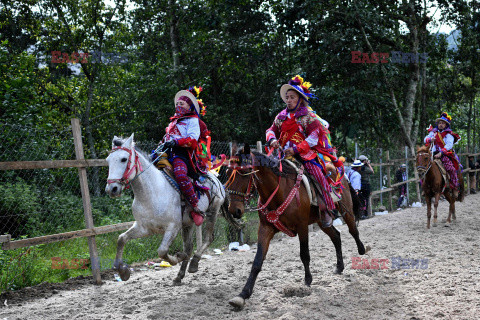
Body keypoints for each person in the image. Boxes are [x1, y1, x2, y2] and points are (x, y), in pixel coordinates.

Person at [266, 75, 342, 227]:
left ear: (300, 99)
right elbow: (270, 130)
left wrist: (295, 149)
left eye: (292, 97)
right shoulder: (280, 116)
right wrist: (272, 139)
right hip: (282, 155)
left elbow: (314, 137)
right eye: (287, 97)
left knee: (318, 175)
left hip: (305, 155)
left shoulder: (308, 116)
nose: (289, 100)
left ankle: (327, 209)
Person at [158, 86, 209, 226]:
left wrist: (175, 142)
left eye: (182, 103)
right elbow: (167, 137)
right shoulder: (172, 122)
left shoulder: (192, 121)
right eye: (177, 104)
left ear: (189, 106)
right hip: (167, 153)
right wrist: (163, 142)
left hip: (182, 154)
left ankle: (195, 206)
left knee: (180, 174)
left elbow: (192, 140)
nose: (178, 106)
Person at [424, 112, 461, 198]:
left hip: (445, 154)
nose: (441, 125)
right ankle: (425, 188)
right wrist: (430, 139)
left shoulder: (449, 134)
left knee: (450, 169)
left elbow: (449, 145)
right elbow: (425, 139)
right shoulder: (433, 132)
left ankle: (454, 187)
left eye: (443, 123)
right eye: (440, 123)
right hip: (433, 154)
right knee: (423, 168)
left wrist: (441, 153)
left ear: (446, 125)